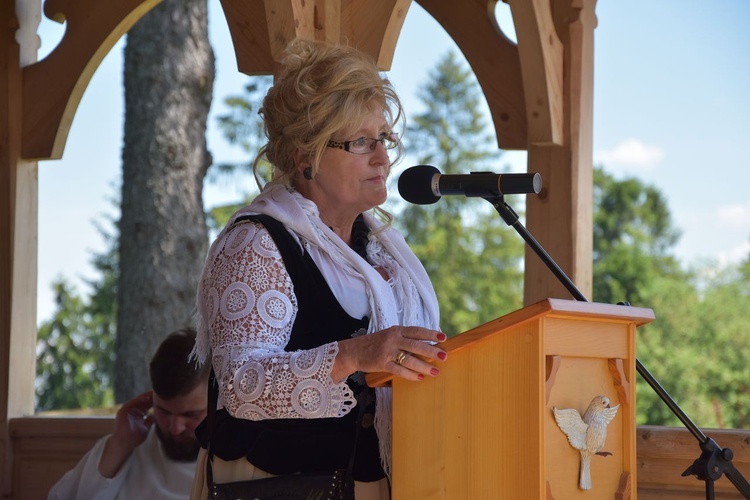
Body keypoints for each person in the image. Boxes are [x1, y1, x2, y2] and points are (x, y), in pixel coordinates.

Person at [189, 39, 447, 500]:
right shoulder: (258, 244)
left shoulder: (382, 253)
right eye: (361, 142)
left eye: (384, 139)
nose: (383, 158)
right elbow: (241, 387)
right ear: (305, 156)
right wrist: (351, 357)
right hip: (276, 486)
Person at [49, 327, 210, 500]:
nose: (175, 428)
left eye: (191, 415)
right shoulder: (129, 444)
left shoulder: (233, 461)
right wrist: (119, 444)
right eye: (163, 411)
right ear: (150, 399)